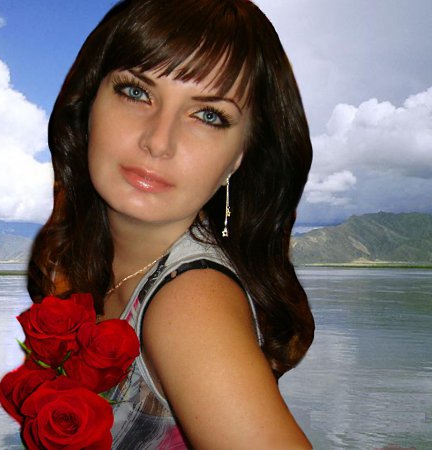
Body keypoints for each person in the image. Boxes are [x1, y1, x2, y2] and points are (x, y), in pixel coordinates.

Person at [27, 0, 315, 448]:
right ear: (89, 103)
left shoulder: (190, 304)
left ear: (240, 156)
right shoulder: (93, 262)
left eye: (209, 115)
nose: (159, 141)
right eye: (136, 92)